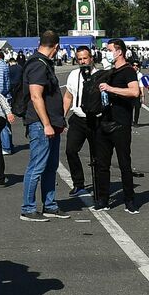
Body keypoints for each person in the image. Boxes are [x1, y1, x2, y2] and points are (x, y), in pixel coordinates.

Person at [19, 31, 70, 222]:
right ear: (56, 46)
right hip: (41, 124)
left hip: (51, 123)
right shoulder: (38, 65)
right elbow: (35, 96)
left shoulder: (42, 63)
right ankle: (28, 208)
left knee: (50, 166)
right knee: (37, 166)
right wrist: (47, 124)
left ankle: (49, 205)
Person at [92, 38, 141, 212]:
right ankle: (103, 199)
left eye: (109, 49)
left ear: (119, 51)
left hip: (121, 123)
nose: (106, 52)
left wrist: (111, 89)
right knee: (101, 163)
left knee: (124, 162)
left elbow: (135, 91)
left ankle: (129, 200)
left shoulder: (128, 71)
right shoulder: (110, 71)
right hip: (104, 120)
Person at [60, 45, 100, 195]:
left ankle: (99, 185)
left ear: (91, 58)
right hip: (78, 118)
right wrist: (62, 117)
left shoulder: (99, 74)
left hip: (95, 119)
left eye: (85, 58)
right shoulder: (73, 75)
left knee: (97, 155)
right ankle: (78, 183)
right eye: (80, 59)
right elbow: (68, 97)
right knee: (70, 150)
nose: (83, 61)